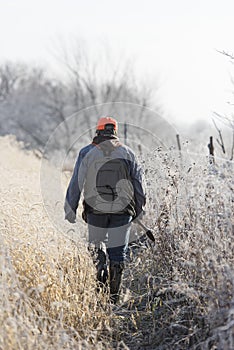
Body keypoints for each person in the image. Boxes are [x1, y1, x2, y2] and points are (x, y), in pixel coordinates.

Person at [64, 116, 146, 303]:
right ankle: (113, 300)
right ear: (115, 132)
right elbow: (140, 185)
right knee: (118, 254)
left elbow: (76, 182)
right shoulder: (128, 153)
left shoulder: (87, 152)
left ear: (98, 131)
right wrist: (139, 209)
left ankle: (100, 287)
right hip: (123, 211)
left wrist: (71, 208)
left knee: (96, 247)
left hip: (95, 210)